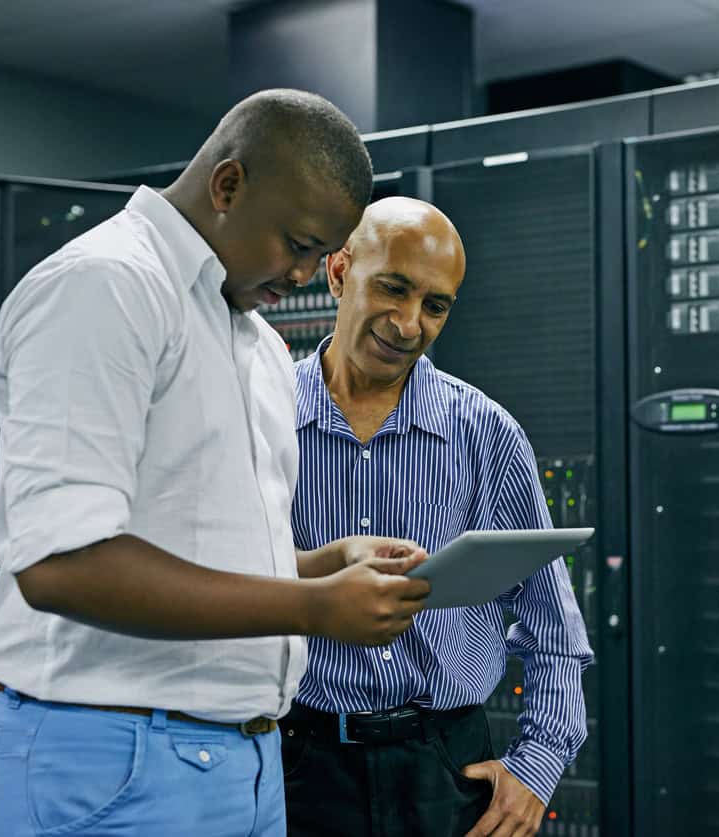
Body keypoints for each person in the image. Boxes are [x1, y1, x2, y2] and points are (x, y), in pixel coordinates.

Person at [0, 89, 432, 837]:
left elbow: (193, 547)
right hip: (104, 761)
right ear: (228, 185)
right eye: (298, 244)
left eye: (322, 255)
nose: (305, 274)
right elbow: (60, 564)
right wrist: (314, 607)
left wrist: (320, 566)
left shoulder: (254, 340)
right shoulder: (106, 287)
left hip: (244, 762)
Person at [281, 196, 594, 837]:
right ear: (339, 272)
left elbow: (553, 624)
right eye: (393, 289)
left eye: (435, 306)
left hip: (446, 766)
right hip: (297, 762)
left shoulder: (486, 433)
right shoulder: (263, 415)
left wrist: (538, 764)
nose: (408, 324)